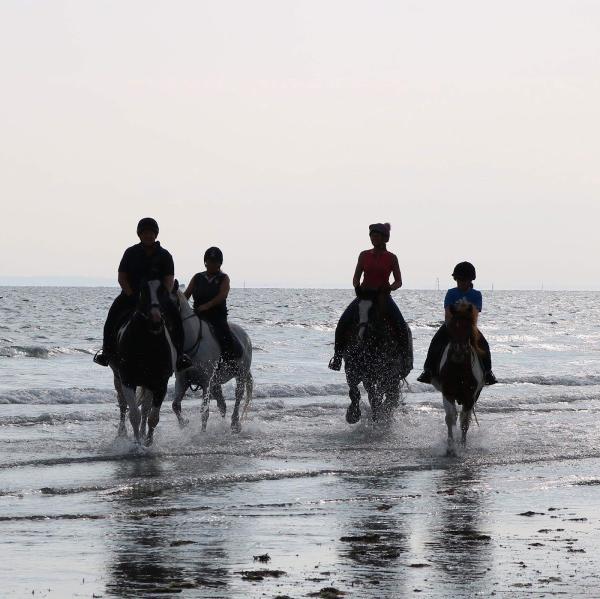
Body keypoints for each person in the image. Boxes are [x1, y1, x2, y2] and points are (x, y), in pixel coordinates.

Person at [93, 217, 191, 371]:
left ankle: (180, 356)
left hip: (157, 297)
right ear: (139, 234)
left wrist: (162, 296)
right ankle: (106, 351)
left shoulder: (165, 255)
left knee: (176, 318)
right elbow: (122, 277)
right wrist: (131, 294)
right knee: (112, 316)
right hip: (131, 295)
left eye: (151, 233)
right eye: (145, 233)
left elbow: (169, 280)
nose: (148, 235)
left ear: (156, 234)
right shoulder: (130, 253)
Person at [328, 222, 409, 371]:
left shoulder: (391, 258)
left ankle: (405, 360)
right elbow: (356, 276)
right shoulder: (364, 255)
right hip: (364, 295)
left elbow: (399, 281)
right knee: (343, 322)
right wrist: (356, 286)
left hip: (382, 296)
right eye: (372, 236)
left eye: (377, 236)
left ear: (384, 238)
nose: (373, 239)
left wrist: (390, 287)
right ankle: (337, 358)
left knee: (400, 324)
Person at [417, 261, 497, 385]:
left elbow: (475, 314)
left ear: (470, 280)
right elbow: (448, 312)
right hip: (451, 325)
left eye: (464, 280)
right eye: (458, 280)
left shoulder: (476, 295)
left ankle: (488, 372)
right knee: (435, 342)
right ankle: (428, 371)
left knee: (484, 345)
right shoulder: (451, 293)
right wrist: (450, 326)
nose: (461, 283)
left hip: (469, 327)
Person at [184, 246, 241, 363]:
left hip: (217, 315)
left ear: (220, 263)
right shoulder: (197, 277)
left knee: (224, 334)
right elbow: (187, 294)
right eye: (209, 262)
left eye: (215, 262)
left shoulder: (224, 278)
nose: (211, 264)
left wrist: (207, 305)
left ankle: (229, 360)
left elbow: (222, 295)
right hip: (198, 314)